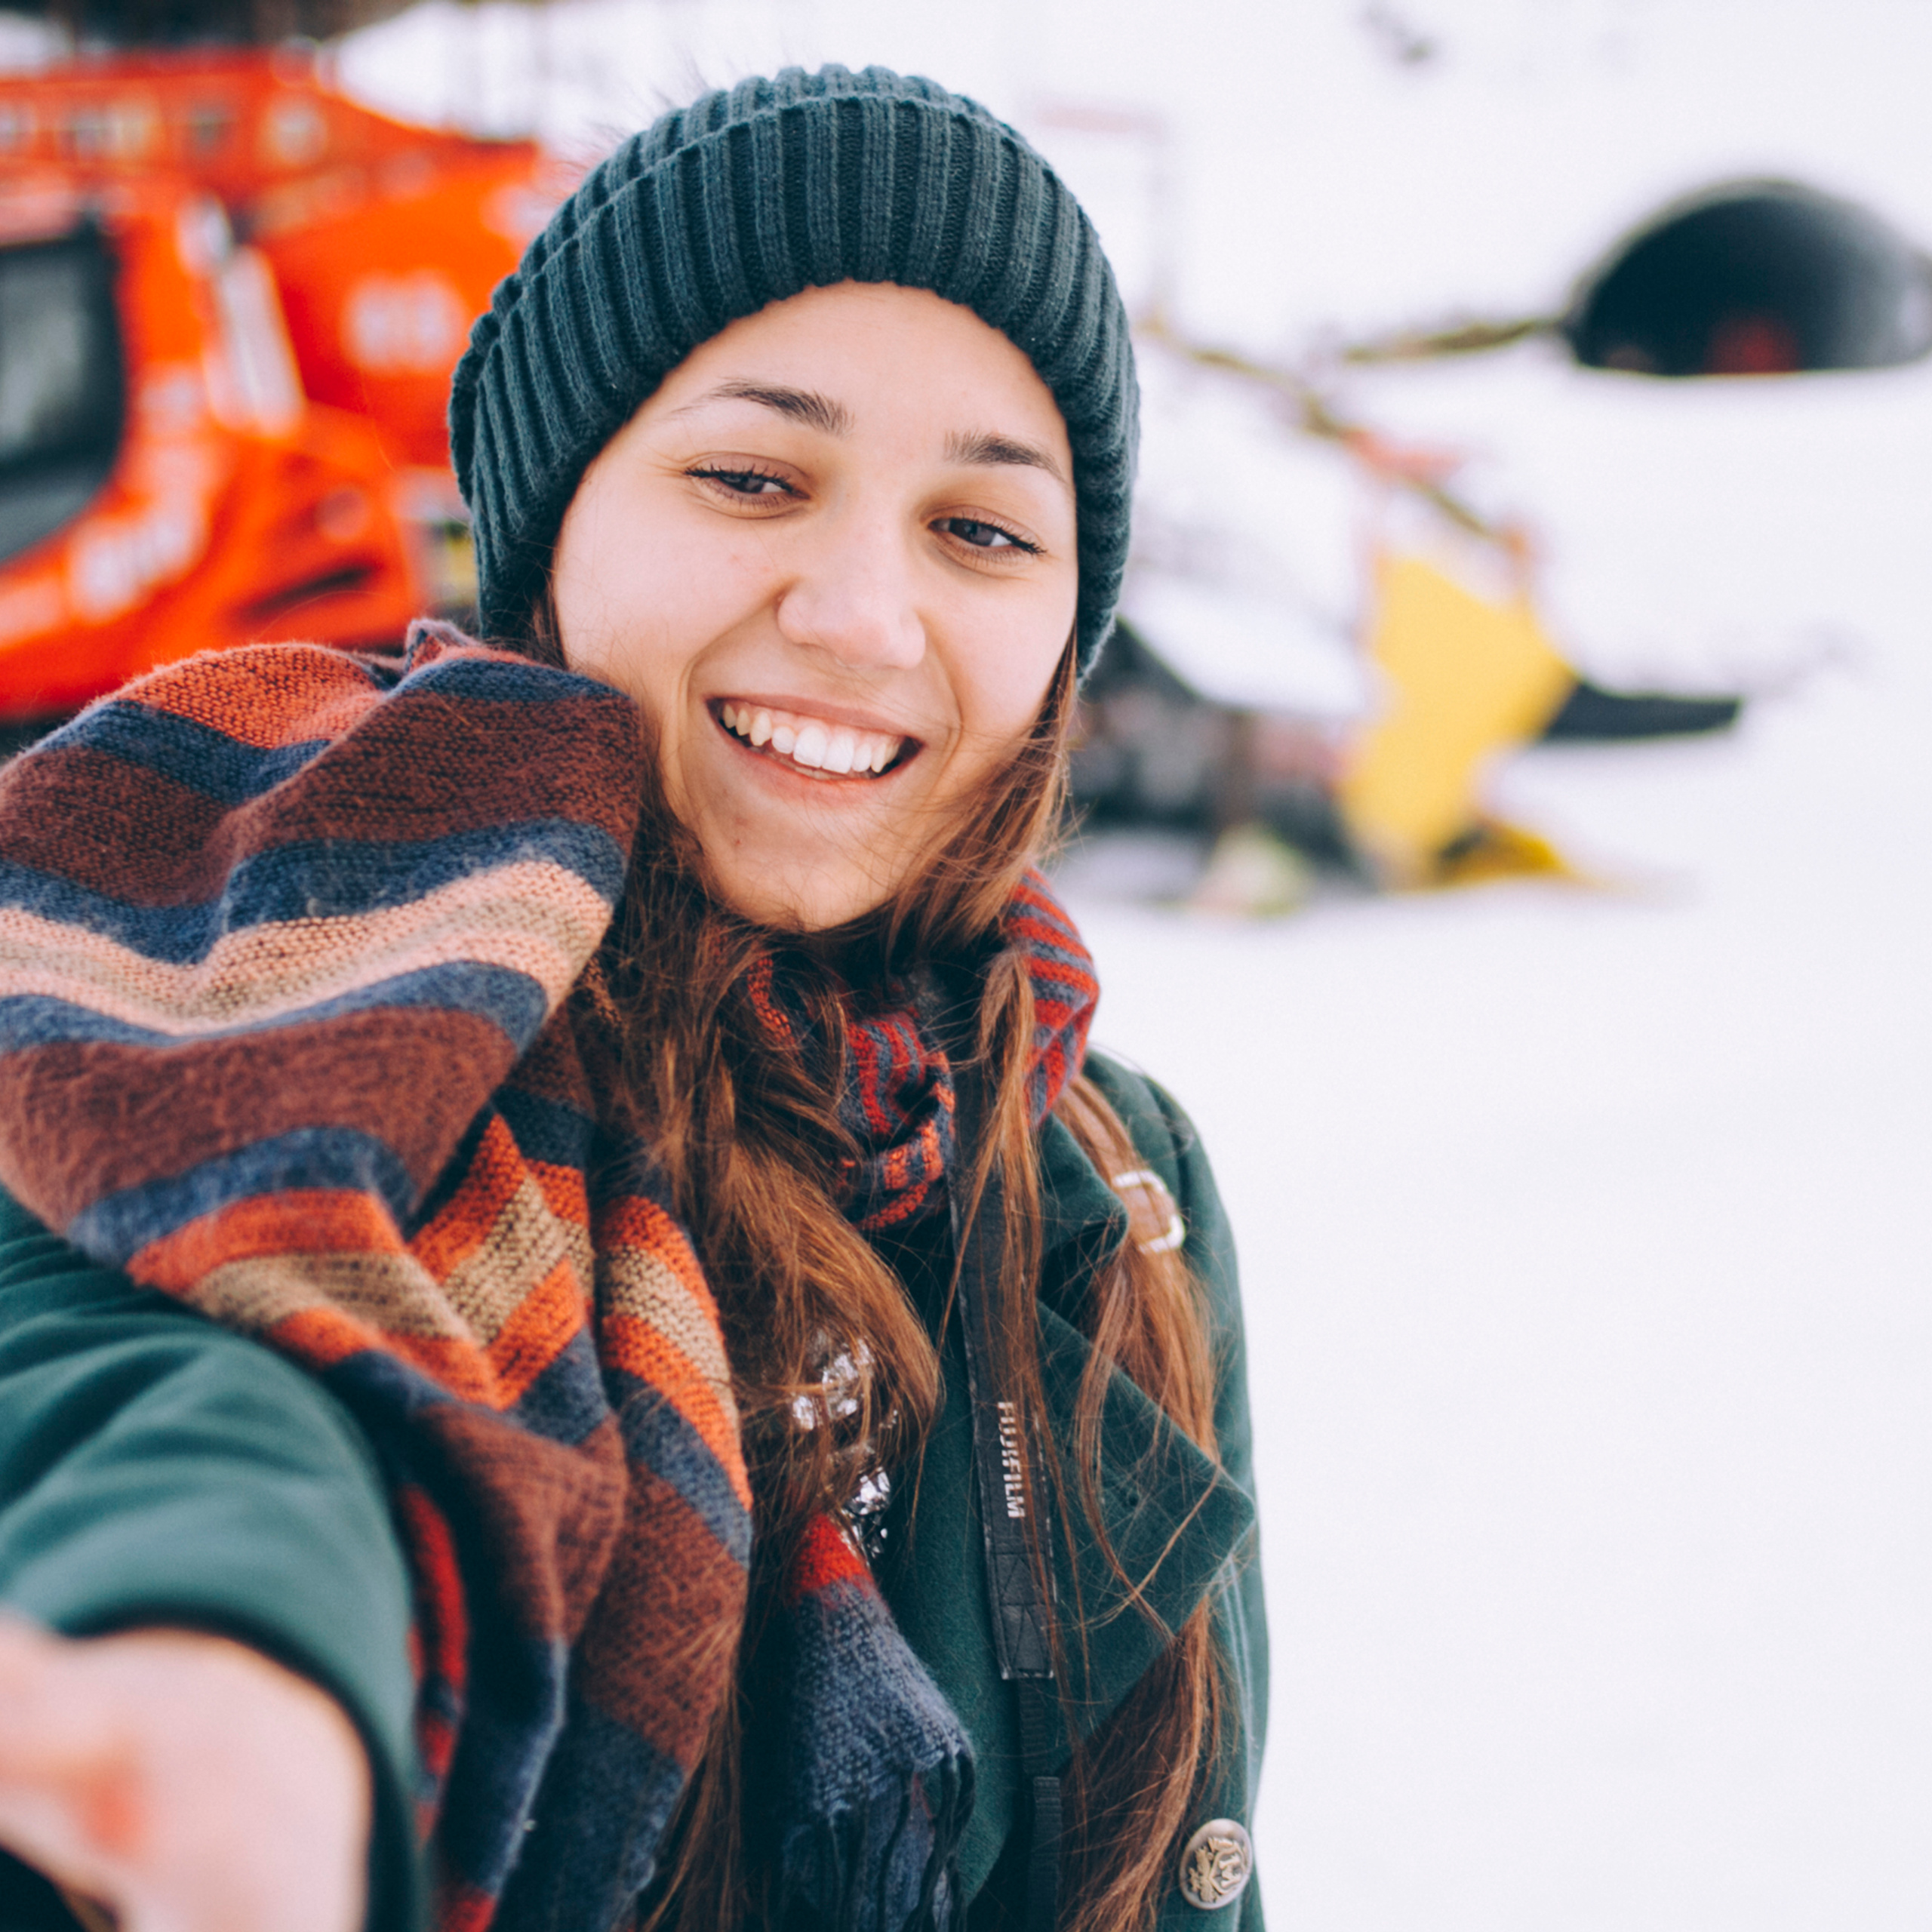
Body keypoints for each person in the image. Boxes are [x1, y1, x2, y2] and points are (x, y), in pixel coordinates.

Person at [0, 64, 1266, 1932]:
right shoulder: (277, 980)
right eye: (752, 477)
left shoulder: (1103, 1167)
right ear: (550, 539)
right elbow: (181, 1360)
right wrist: (241, 1659)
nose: (857, 611)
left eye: (982, 530)